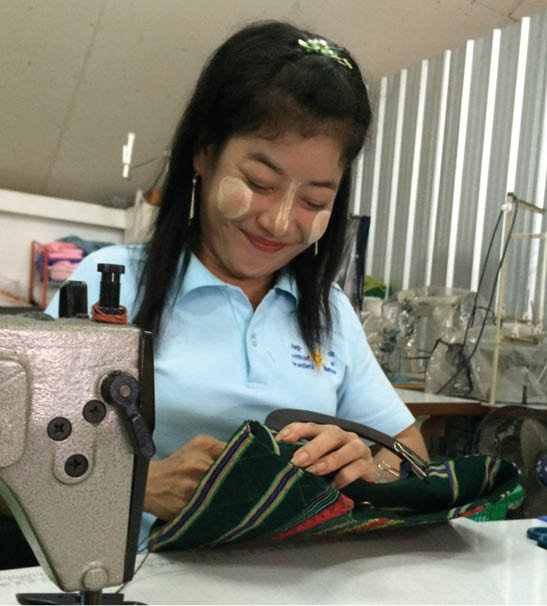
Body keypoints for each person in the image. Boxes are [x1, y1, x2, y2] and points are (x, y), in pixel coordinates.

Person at [45, 21, 428, 538]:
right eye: (259, 183)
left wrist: (368, 466)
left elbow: (410, 451)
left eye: (315, 200)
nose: (279, 221)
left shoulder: (328, 311)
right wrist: (140, 485)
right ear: (204, 152)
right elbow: (14, 459)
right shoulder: (111, 285)